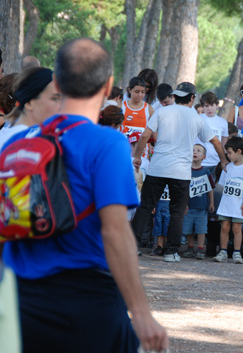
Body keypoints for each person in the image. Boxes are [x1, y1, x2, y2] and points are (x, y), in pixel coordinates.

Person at [1, 37, 168, 352]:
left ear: (57, 82)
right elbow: (115, 230)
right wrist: (142, 313)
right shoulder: (107, 144)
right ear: (108, 86)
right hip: (87, 301)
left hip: (22, 302)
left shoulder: (16, 144)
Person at [131, 81, 228, 262]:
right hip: (181, 173)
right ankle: (171, 252)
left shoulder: (161, 111)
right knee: (177, 212)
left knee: (145, 207)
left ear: (174, 96)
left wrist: (137, 156)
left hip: (158, 167)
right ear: (192, 98)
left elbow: (145, 135)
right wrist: (223, 161)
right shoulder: (197, 118)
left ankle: (131, 246)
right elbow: (215, 142)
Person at [213, 137, 243, 264]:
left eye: (230, 153)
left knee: (237, 228)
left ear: (239, 151)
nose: (228, 156)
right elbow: (223, 186)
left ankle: (237, 252)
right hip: (226, 204)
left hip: (239, 204)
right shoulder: (228, 167)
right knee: (224, 227)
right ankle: (223, 251)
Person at [0, 67, 61, 150]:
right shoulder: (27, 140)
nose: (60, 106)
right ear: (29, 103)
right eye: (55, 98)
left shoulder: (9, 130)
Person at [181, 144, 215, 260]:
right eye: (193, 150)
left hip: (202, 206)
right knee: (188, 228)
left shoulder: (206, 172)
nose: (195, 152)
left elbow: (210, 188)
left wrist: (211, 202)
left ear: (204, 156)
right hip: (188, 207)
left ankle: (201, 249)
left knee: (201, 229)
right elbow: (182, 189)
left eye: (198, 151)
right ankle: (190, 247)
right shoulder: (185, 171)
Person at [199, 91, 229, 173]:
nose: (210, 109)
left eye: (212, 105)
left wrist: (225, 160)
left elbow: (224, 144)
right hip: (201, 162)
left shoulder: (223, 122)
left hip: (217, 162)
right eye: (206, 106)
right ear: (202, 107)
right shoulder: (198, 119)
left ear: (216, 105)